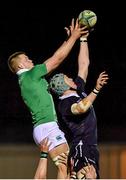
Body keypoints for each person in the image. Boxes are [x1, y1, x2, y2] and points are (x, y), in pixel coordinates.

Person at [7, 18, 88, 179]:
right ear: (21, 66)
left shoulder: (26, 80)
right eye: (26, 59)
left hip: (42, 128)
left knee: (67, 166)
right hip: (47, 127)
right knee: (65, 167)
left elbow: (56, 57)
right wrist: (74, 37)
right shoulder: (31, 74)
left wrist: (68, 39)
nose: (30, 60)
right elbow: (56, 59)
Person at [49, 23, 109, 179]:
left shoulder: (76, 90)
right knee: (89, 176)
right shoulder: (64, 104)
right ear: (63, 86)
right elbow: (81, 108)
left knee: (87, 176)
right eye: (67, 79)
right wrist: (96, 89)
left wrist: (83, 39)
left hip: (87, 146)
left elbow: (84, 65)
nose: (70, 78)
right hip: (82, 146)